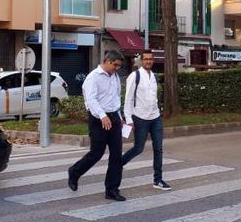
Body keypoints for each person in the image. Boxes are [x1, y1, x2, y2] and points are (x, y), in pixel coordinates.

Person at [68, 50, 127, 201]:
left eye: (119, 66)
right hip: (97, 119)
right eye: (115, 65)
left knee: (116, 156)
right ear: (107, 61)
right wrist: (103, 116)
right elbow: (91, 100)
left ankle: (112, 190)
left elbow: (115, 98)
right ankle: (75, 172)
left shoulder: (115, 77)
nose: (117, 69)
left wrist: (119, 117)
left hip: (113, 118)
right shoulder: (93, 77)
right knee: (96, 153)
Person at [121, 50, 171, 190]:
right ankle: (118, 164)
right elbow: (128, 99)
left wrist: (158, 111)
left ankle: (158, 180)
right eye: (146, 59)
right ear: (141, 61)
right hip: (140, 118)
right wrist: (129, 119)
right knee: (138, 148)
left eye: (150, 59)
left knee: (158, 149)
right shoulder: (134, 76)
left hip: (155, 118)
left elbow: (154, 97)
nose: (148, 61)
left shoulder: (154, 76)